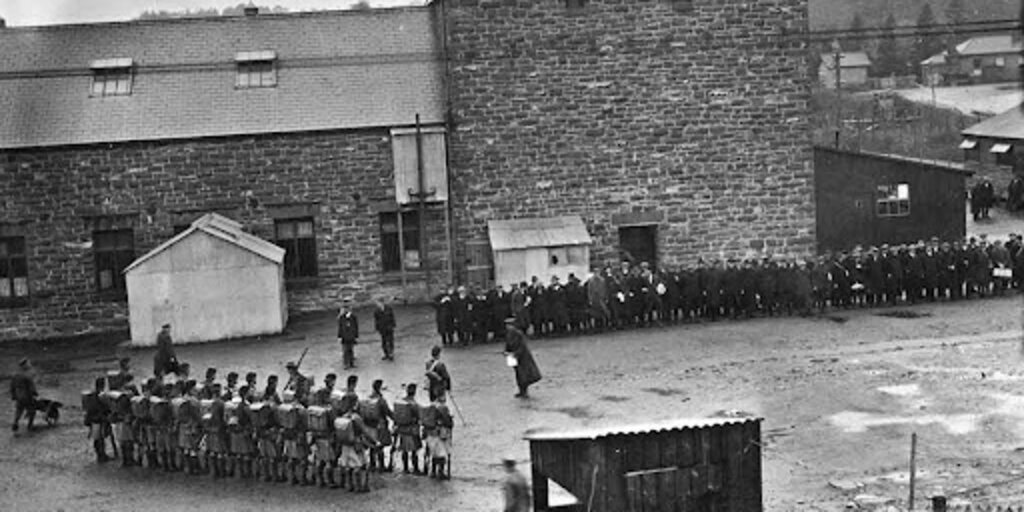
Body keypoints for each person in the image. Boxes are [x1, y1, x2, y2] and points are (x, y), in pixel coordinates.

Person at [361, 379, 393, 473]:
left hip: (369, 426)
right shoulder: (381, 400)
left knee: (372, 445)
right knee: (380, 447)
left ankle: (372, 465)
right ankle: (381, 466)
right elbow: (388, 412)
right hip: (380, 425)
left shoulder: (367, 398)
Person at [504, 324, 542, 398]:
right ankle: (521, 391)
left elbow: (522, 347)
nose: (508, 327)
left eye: (510, 325)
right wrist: (506, 352)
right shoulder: (508, 334)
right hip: (513, 357)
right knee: (518, 374)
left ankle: (524, 391)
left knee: (524, 375)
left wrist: (516, 353)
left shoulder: (519, 334)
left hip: (523, 357)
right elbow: (507, 345)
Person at [392, 383, 423, 474]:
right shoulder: (414, 404)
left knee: (404, 450)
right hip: (412, 430)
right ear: (414, 392)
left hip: (402, 430)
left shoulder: (401, 402)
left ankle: (405, 468)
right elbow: (419, 416)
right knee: (414, 451)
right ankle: (415, 468)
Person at [422, 393, 453, 480]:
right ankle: (441, 472)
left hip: (429, 433)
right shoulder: (443, 407)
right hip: (439, 433)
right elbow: (447, 422)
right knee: (441, 454)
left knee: (434, 453)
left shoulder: (429, 406)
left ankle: (433, 471)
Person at [83, 376, 111, 463]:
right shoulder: (101, 395)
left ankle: (100, 455)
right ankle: (101, 455)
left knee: (97, 438)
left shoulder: (92, 395)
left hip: (93, 419)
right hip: (99, 419)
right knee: (100, 439)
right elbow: (107, 407)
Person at [10, 358, 38, 432]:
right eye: (28, 363)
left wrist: (13, 396)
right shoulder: (27, 375)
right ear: (25, 365)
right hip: (27, 396)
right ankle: (30, 425)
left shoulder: (15, 375)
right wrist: (35, 393)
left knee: (19, 410)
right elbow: (31, 387)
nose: (29, 364)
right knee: (32, 410)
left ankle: (15, 422)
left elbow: (12, 387)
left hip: (18, 396)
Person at [338, 301, 360, 369]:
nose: (346, 310)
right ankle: (346, 363)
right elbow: (340, 327)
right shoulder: (341, 317)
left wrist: (356, 336)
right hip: (344, 336)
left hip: (351, 336)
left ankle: (351, 363)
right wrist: (339, 336)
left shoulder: (353, 317)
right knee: (345, 350)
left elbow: (356, 327)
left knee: (351, 350)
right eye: (345, 309)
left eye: (348, 309)